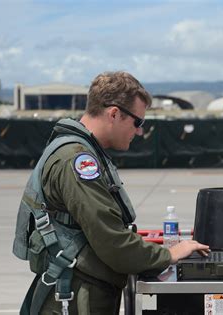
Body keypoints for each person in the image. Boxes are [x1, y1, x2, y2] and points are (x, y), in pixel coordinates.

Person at [13, 71, 209, 315]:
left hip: (81, 289)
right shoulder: (78, 160)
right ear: (114, 113)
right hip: (75, 300)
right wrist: (168, 255)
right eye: (138, 122)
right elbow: (112, 242)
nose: (139, 132)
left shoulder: (79, 150)